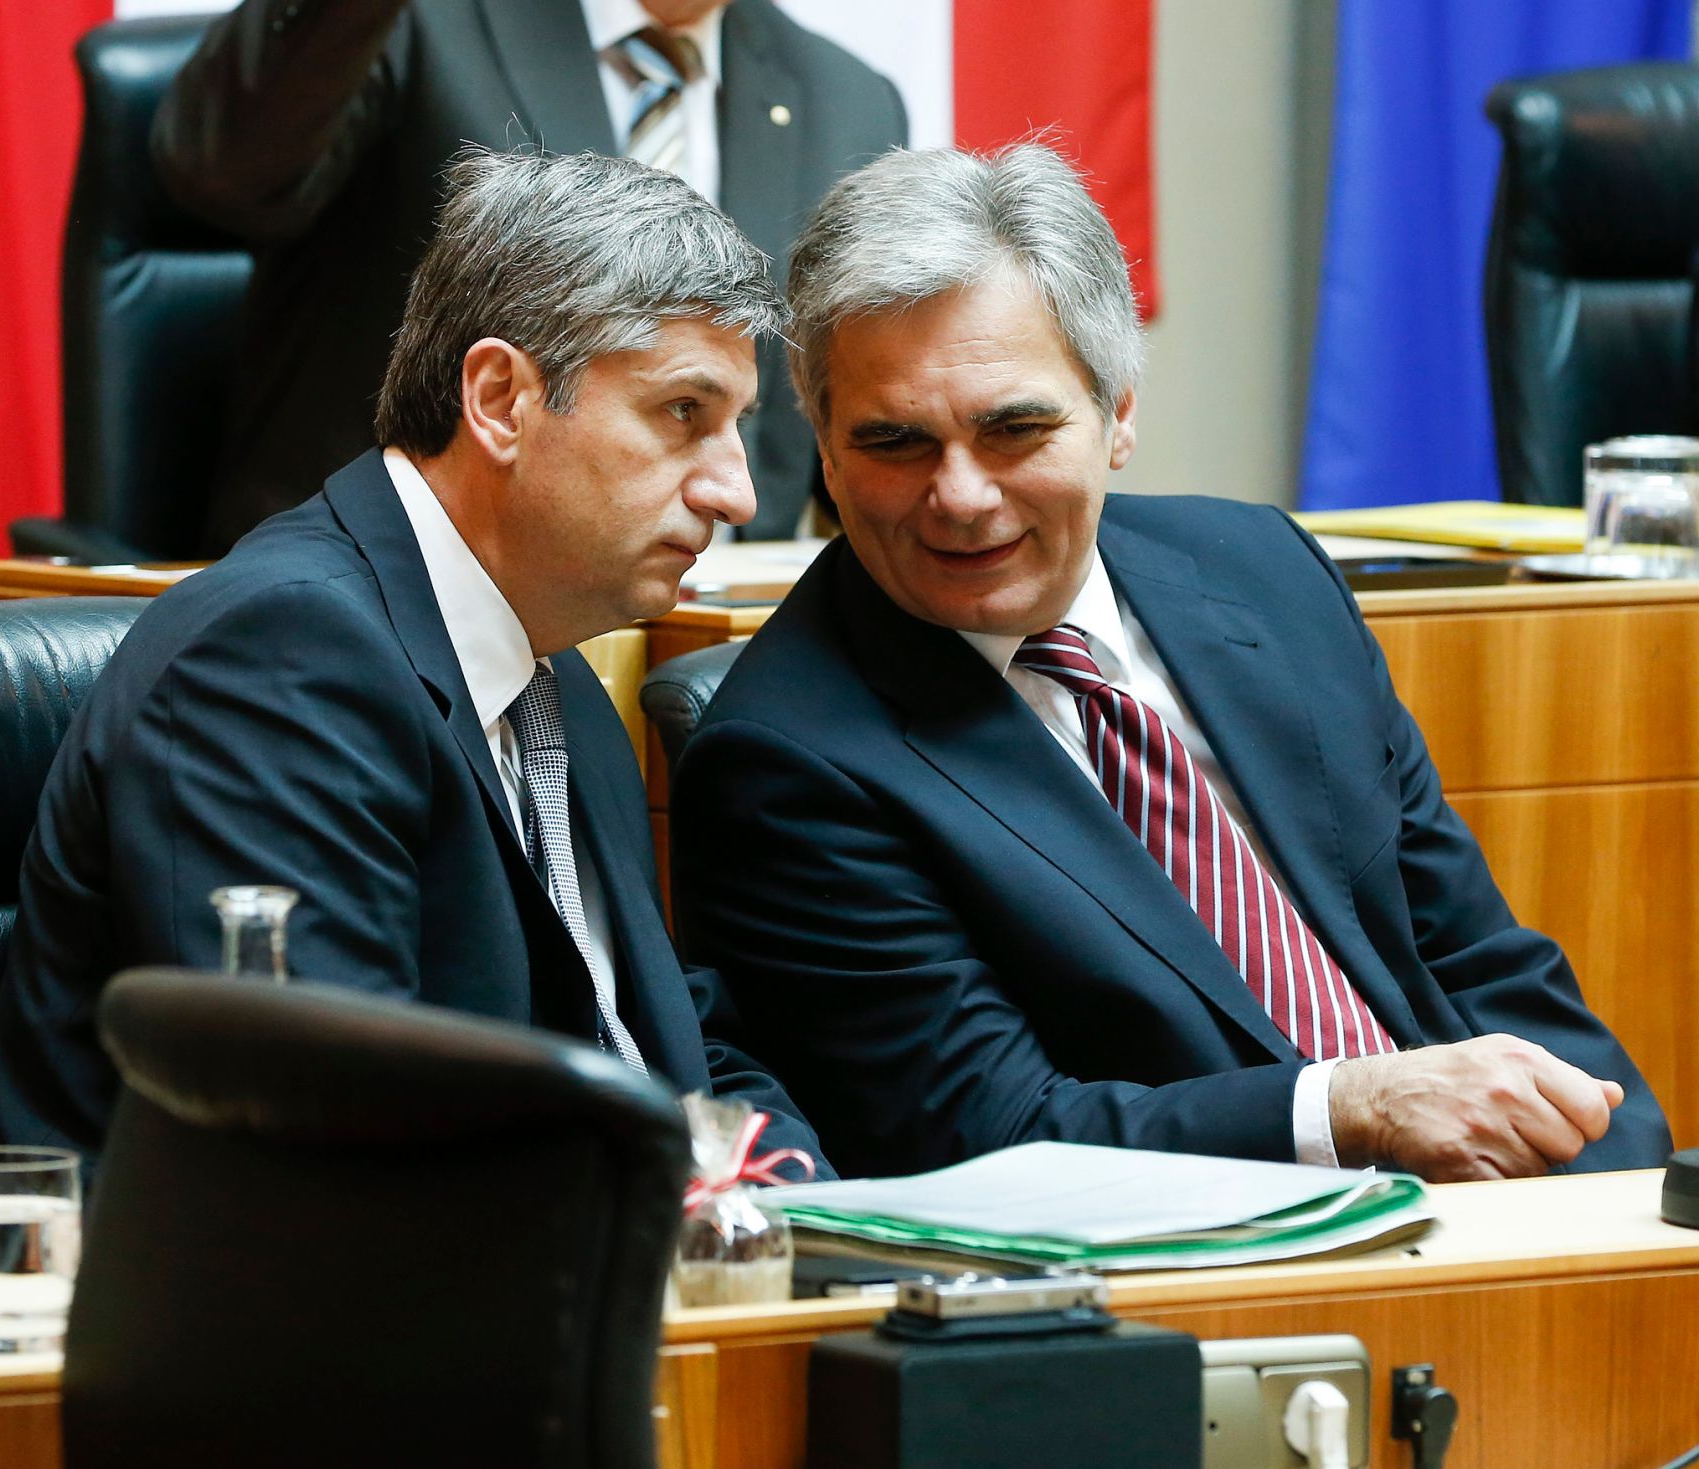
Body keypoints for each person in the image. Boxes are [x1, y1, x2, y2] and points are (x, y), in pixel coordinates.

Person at [671, 143, 1671, 1183]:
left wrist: (1618, 1188)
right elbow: (989, 1135)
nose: (960, 496)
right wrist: (1352, 1110)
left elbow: (1472, 956)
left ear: (1118, 413)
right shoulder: (784, 759)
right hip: (1223, 1252)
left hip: (1504, 1226)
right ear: (827, 453)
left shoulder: (1261, 572)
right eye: (895, 443)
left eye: (1014, 429)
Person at [0, 148, 826, 1176]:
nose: (736, 493)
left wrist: (805, 1206)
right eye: (683, 413)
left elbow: (668, 1042)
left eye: (736, 427)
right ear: (500, 399)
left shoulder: (555, 682)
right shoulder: (278, 662)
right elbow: (330, 1135)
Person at [152, 0, 906, 555]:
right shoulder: (406, 20)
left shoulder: (849, 100)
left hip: (715, 635)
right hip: (387, 600)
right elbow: (221, 175)